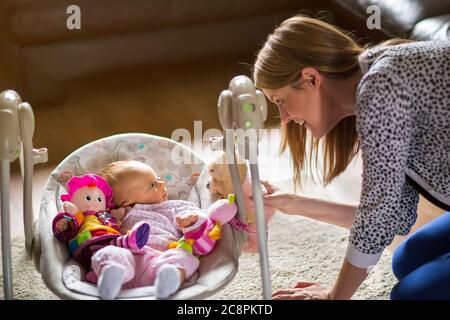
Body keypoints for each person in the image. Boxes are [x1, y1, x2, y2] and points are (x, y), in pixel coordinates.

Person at [253, 15, 450, 299]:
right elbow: (391, 217)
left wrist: (333, 298)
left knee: (410, 295)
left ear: (311, 78)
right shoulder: (374, 76)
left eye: (280, 101)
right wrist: (294, 203)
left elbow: (378, 218)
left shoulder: (383, 86)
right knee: (405, 259)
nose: (283, 119)